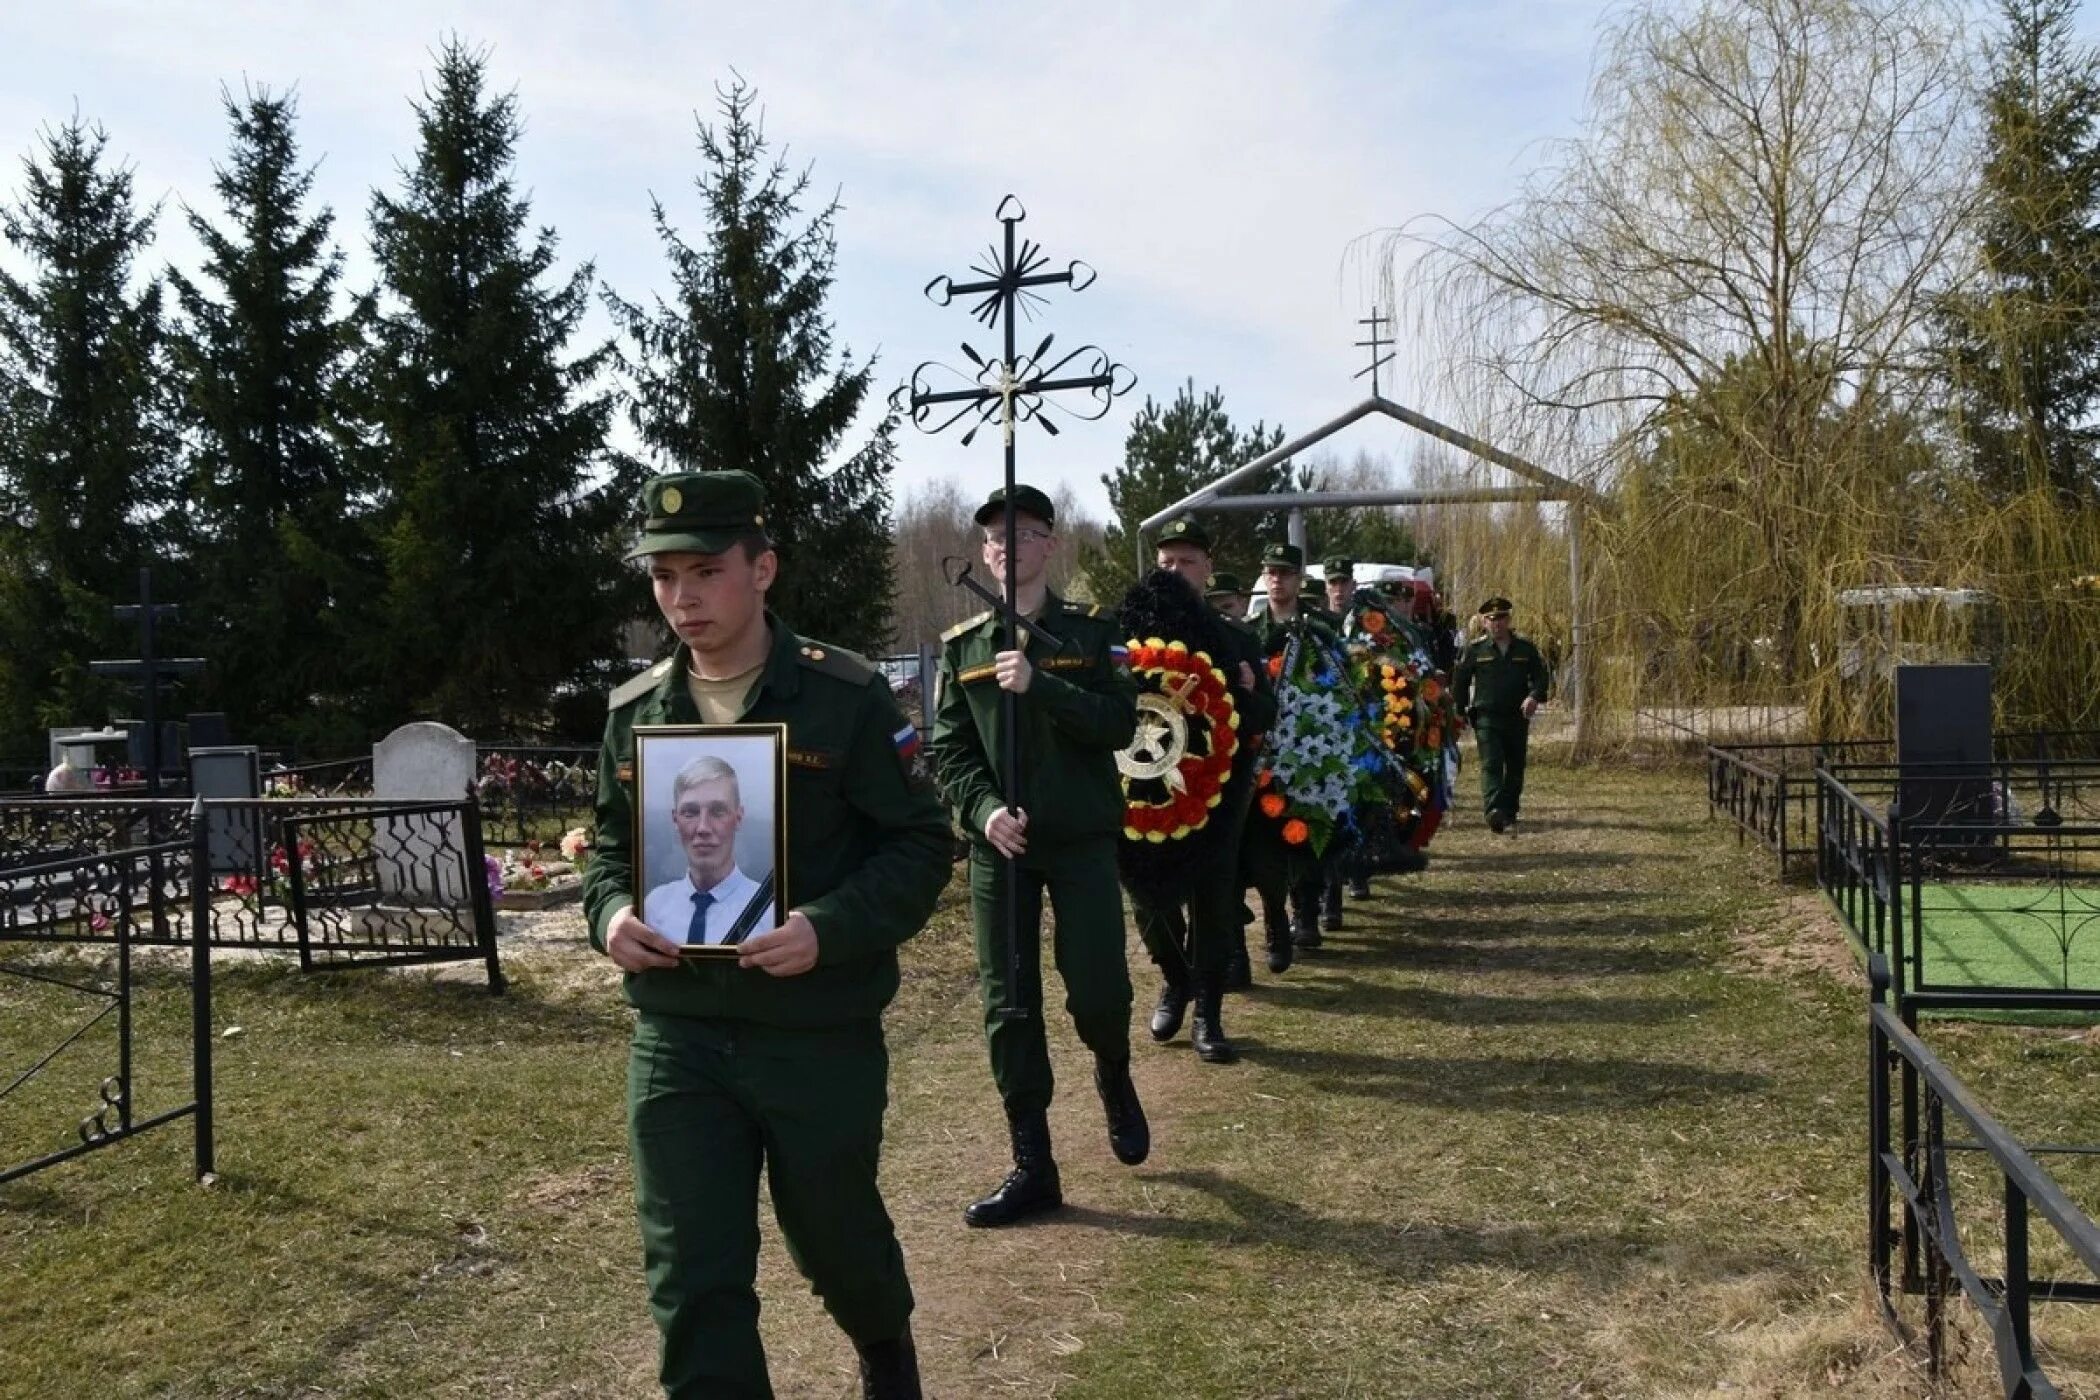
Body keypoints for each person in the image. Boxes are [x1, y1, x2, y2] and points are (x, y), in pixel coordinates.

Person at [581, 470, 951, 1400]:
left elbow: (917, 847)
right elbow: (609, 854)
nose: (682, 598)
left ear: (764, 569)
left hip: (813, 1030)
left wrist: (829, 928)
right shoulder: (636, 715)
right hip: (679, 1035)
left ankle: (883, 1346)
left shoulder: (845, 698)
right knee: (691, 1271)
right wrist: (611, 916)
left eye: (704, 571)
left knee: (835, 1235)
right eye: (663, 578)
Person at [930, 483, 1146, 1230]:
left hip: (1081, 837)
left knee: (1097, 987)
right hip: (1003, 851)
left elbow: (1120, 724)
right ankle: (1034, 1163)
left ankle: (1113, 1074)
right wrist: (983, 812)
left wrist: (1045, 686)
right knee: (1008, 1003)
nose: (1006, 546)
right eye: (994, 536)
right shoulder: (963, 648)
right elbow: (948, 751)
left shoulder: (1091, 633)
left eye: (1023, 533)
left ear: (1048, 544)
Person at [1134, 516, 1276, 1063]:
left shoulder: (1236, 639)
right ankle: (1175, 979)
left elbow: (1267, 710)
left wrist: (1245, 692)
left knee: (1213, 903)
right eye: (1166, 561)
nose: (1174, 570)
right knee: (1150, 902)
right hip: (1146, 796)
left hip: (1218, 794)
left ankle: (1208, 1015)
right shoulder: (1128, 633)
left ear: (1207, 568)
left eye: (1186, 561)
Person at [1244, 542, 1341, 964]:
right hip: (1262, 744)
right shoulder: (1249, 630)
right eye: (1271, 572)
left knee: (1306, 828)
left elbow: (1339, 682)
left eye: (1285, 573)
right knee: (1266, 835)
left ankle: (1305, 911)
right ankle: (1275, 917)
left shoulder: (1319, 627)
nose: (1277, 580)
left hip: (1308, 745)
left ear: (1299, 579)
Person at [640, 757, 777, 945]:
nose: (703, 827)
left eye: (718, 811)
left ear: (738, 817)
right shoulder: (653, 907)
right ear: (675, 820)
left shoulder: (767, 911)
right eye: (690, 812)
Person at [1452, 595, 1551, 833]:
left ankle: (1509, 810)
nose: (1497, 623)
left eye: (1501, 618)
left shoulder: (1525, 649)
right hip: (1487, 717)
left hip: (1517, 716)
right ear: (1484, 622)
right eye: (1491, 619)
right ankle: (1494, 810)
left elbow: (1541, 677)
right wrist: (1459, 711)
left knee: (1515, 766)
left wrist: (1534, 696)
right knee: (1492, 763)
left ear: (1508, 620)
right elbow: (1460, 682)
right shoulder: (1475, 649)